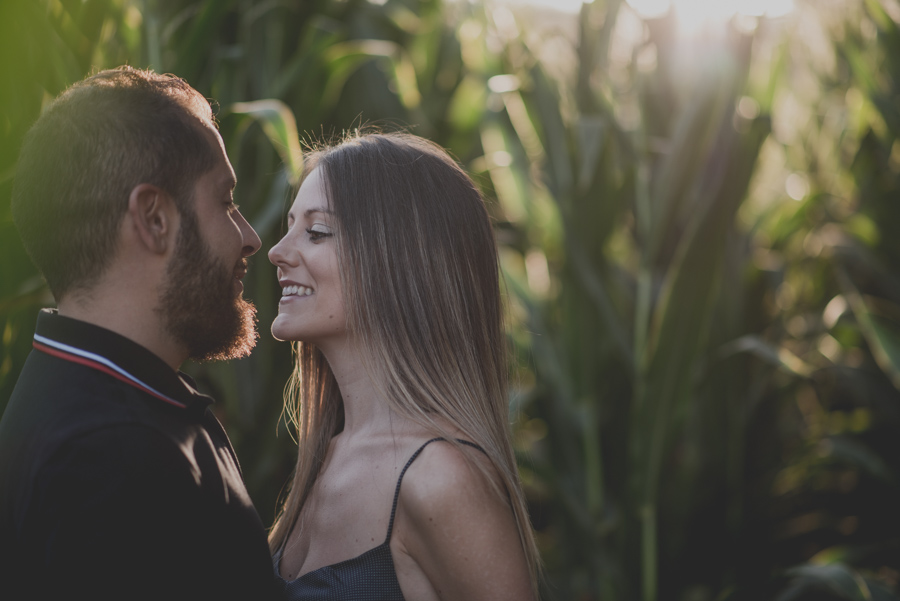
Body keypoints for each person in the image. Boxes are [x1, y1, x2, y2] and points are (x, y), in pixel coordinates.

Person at [0, 67, 283, 600]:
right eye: (225, 201)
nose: (249, 237)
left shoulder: (105, 406)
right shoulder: (112, 458)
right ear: (154, 219)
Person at [267, 132, 540, 600]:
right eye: (290, 226)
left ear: (399, 260)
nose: (277, 252)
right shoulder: (327, 455)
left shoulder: (440, 477)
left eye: (317, 232)